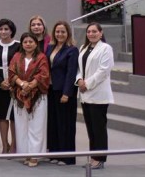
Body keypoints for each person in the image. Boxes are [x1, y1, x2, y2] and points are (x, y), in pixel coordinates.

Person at [8, 31, 51, 167]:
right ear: (22, 44)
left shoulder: (42, 57)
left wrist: (30, 86)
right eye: (25, 42)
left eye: (31, 42)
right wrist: (22, 84)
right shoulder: (17, 56)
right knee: (21, 127)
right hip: (20, 96)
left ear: (36, 43)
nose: (28, 44)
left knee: (36, 127)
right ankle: (25, 154)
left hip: (37, 97)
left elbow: (43, 75)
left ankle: (35, 156)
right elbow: (11, 73)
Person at [76, 22, 114, 171]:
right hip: (85, 94)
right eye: (89, 32)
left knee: (99, 129)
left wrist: (87, 84)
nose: (91, 34)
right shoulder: (83, 48)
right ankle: (93, 157)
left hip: (98, 94)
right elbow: (79, 68)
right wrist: (79, 80)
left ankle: (100, 159)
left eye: (94, 31)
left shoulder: (106, 48)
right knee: (91, 128)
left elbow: (103, 71)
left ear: (101, 32)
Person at [47, 20, 78, 165]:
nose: (60, 34)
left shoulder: (72, 49)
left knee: (65, 124)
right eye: (57, 31)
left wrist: (66, 93)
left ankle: (67, 157)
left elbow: (71, 73)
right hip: (51, 89)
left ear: (68, 33)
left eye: (63, 32)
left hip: (64, 92)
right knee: (53, 122)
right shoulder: (51, 47)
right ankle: (55, 153)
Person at [0, 18, 20, 154]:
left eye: (6, 29)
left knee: (13, 116)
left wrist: (12, 81)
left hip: (15, 84)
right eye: (1, 29)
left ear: (11, 31)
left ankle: (14, 145)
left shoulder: (18, 45)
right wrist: (0, 81)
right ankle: (4, 145)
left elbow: (20, 65)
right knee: (2, 115)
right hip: (0, 85)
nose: (3, 31)